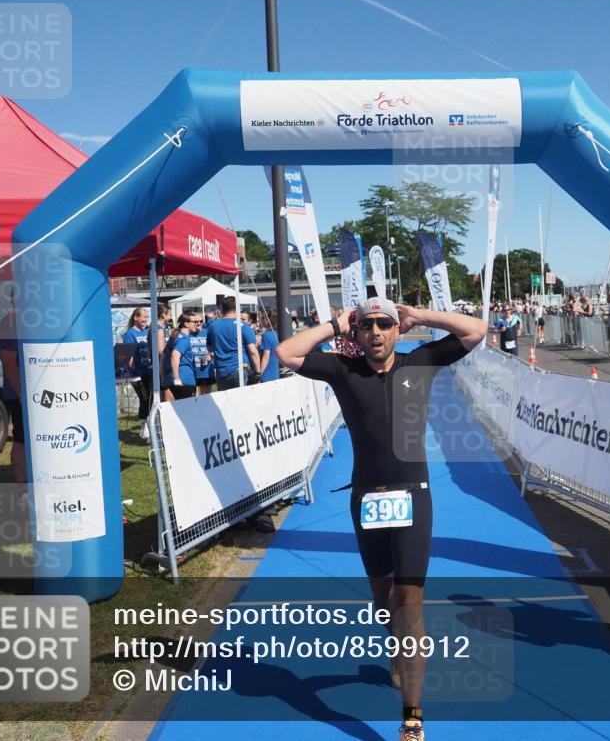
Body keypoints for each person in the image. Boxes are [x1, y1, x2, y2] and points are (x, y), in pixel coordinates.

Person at [276, 297, 487, 741]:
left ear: (397, 330)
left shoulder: (421, 361)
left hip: (414, 497)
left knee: (409, 602)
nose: (376, 332)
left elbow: (475, 330)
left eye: (384, 324)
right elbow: (287, 354)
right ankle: (401, 649)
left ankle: (412, 713)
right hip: (367, 497)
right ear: (357, 333)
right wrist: (335, 324)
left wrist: (421, 316)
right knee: (384, 602)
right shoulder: (342, 370)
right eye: (367, 325)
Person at [0, 311, 26, 483]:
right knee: (22, 438)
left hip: (42, 394)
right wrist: (21, 393)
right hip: (19, 394)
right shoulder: (9, 323)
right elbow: (8, 361)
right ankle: (23, 486)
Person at [206, 296, 260, 390]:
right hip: (240, 368)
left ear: (222, 308)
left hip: (221, 370)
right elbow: (253, 351)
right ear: (237, 308)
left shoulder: (213, 326)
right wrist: (258, 372)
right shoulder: (242, 326)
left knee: (226, 402)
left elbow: (210, 349)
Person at [123, 307, 151, 432]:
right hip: (138, 373)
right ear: (136, 317)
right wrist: (135, 370)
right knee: (144, 398)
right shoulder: (129, 334)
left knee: (150, 397)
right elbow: (128, 356)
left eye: (147, 317)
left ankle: (150, 425)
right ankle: (143, 427)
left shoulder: (148, 331)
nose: (145, 319)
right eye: (143, 317)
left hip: (150, 370)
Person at [166, 311, 202, 400]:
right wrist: (177, 378)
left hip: (173, 379)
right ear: (186, 324)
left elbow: (163, 356)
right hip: (184, 380)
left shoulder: (175, 337)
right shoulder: (184, 339)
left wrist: (164, 378)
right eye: (194, 322)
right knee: (187, 411)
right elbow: (175, 355)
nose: (197, 324)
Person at [192, 315, 214, 396]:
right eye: (196, 322)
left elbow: (217, 347)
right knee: (192, 399)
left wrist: (211, 356)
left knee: (206, 397)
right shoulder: (188, 334)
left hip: (206, 371)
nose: (198, 323)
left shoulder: (208, 332)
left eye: (201, 321)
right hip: (192, 371)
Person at [257, 309, 281, 383]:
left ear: (267, 320)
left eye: (263, 317)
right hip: (277, 373)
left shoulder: (266, 335)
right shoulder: (279, 334)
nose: (261, 319)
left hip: (267, 374)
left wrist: (259, 374)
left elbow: (265, 357)